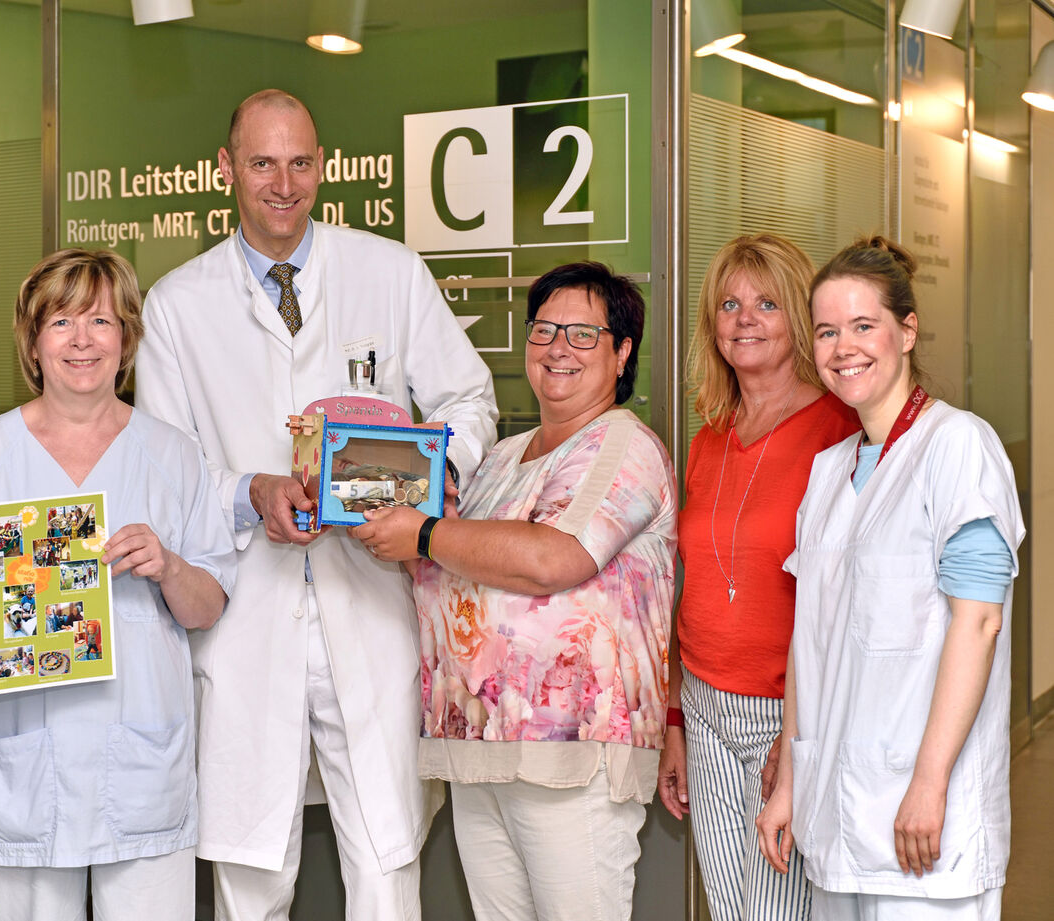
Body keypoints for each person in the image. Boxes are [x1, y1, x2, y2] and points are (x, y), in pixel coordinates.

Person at [135, 88, 498, 920]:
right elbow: (167, 467)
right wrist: (249, 491)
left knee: (385, 858)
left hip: (367, 606)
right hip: (247, 613)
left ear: (322, 166)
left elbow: (469, 402)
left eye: (300, 162)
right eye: (262, 162)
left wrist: (428, 482)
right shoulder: (177, 306)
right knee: (253, 873)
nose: (282, 183)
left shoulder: (389, 271)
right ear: (226, 169)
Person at [355, 261, 676, 921]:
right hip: (481, 751)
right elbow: (444, 560)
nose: (557, 347)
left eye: (583, 334)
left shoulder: (621, 444)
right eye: (544, 330)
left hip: (571, 754)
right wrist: (351, 500)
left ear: (622, 353)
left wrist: (423, 533)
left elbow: (551, 558)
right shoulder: (501, 457)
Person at [0, 248, 235, 921]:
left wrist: (170, 565)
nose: (81, 341)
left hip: (140, 757)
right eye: (61, 322)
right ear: (32, 340)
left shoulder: (172, 453)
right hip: (23, 759)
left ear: (125, 337)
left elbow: (207, 605)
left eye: (99, 321)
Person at [755, 237, 1022, 921]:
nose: (843, 346)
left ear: (905, 331)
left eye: (863, 325)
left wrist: (928, 781)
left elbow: (978, 621)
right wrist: (789, 777)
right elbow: (806, 643)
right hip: (834, 813)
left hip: (922, 822)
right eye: (825, 330)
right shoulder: (827, 470)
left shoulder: (956, 447)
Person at [656, 235, 858, 921]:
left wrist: (800, 738)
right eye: (729, 304)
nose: (744, 318)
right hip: (707, 707)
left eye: (766, 303)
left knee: (774, 911)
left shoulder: (838, 429)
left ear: (797, 318)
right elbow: (690, 587)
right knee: (730, 908)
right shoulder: (709, 433)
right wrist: (676, 719)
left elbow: (844, 602)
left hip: (787, 711)